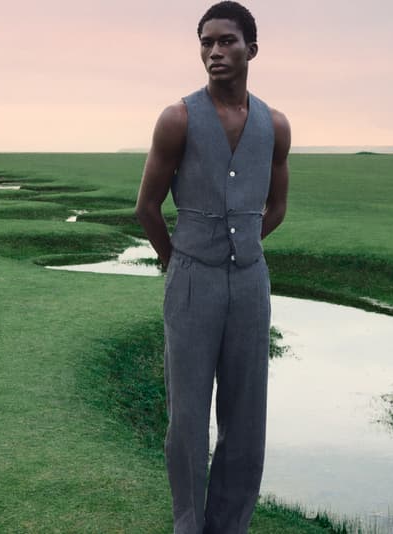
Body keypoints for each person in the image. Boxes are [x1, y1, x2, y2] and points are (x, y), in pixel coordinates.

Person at [135, 2, 290, 532]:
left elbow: (277, 208)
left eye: (226, 41)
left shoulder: (276, 125)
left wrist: (241, 248)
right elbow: (147, 207)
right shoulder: (177, 118)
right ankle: (188, 523)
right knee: (187, 419)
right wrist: (177, 263)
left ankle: (231, 524)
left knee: (247, 420)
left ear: (252, 49)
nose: (214, 52)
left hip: (250, 284)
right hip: (191, 281)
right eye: (206, 42)